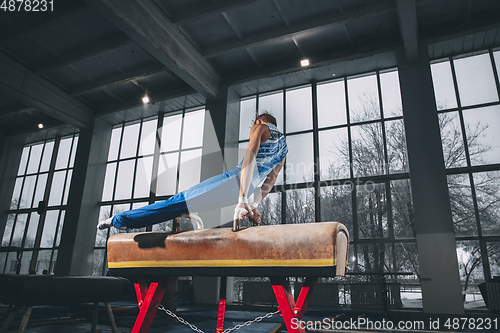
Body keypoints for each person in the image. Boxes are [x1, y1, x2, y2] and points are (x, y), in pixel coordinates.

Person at [97, 112, 287, 230]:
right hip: (241, 191)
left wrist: (242, 199)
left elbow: (249, 159)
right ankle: (127, 221)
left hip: (235, 183)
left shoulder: (260, 127)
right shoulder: (284, 149)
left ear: (260, 121)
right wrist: (253, 204)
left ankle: (119, 219)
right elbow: (270, 180)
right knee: (181, 206)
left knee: (177, 201)